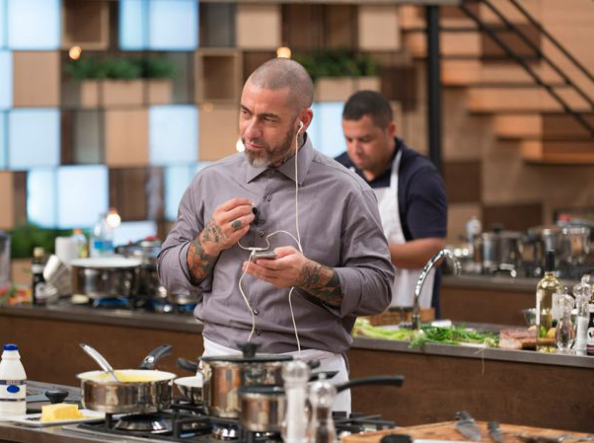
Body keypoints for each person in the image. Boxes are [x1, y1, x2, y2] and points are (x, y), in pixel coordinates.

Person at [157, 59, 395, 413]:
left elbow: (379, 290)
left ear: (303, 121)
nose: (250, 132)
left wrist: (307, 275)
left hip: (311, 376)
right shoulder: (210, 181)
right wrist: (206, 244)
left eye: (268, 120)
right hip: (220, 370)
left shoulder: (347, 191)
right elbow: (167, 274)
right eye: (245, 113)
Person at [336, 90, 447, 314]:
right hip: (354, 312)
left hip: (410, 312)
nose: (355, 149)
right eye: (349, 139)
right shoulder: (337, 172)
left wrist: (369, 250)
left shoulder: (420, 176)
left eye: (365, 140)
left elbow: (434, 252)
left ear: (390, 130)